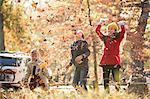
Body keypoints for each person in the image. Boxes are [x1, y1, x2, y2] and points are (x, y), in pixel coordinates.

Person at [95, 19, 126, 93]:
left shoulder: (118, 38)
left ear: (115, 30)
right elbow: (98, 32)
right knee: (106, 80)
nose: (109, 30)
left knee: (116, 80)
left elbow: (122, 32)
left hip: (115, 62)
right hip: (105, 62)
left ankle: (118, 94)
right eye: (108, 29)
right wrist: (100, 24)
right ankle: (107, 95)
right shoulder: (105, 38)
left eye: (111, 29)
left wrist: (122, 25)